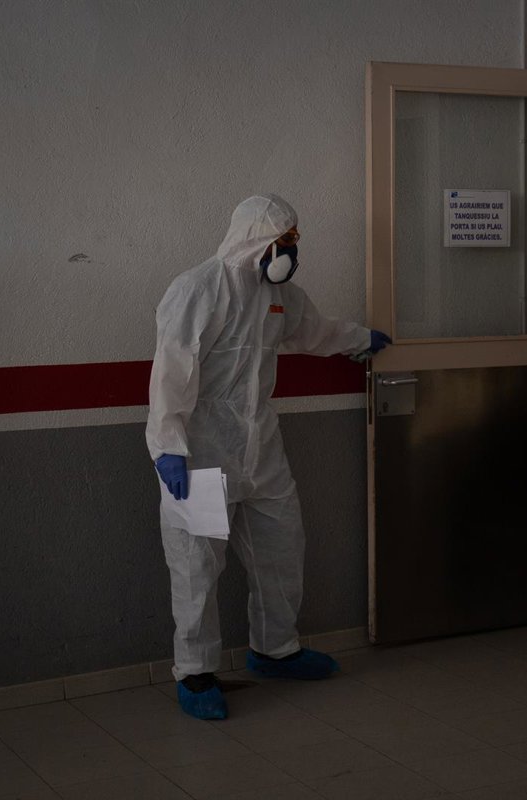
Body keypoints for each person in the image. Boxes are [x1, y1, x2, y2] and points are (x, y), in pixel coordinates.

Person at [146, 194, 391, 720]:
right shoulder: (197, 289)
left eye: (294, 241)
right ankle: (195, 671)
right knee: (196, 565)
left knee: (282, 546)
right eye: (284, 241)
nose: (290, 253)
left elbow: (316, 330)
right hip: (199, 450)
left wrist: (360, 339)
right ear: (255, 240)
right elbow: (171, 373)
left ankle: (275, 650)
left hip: (260, 445)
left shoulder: (279, 296)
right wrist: (168, 447)